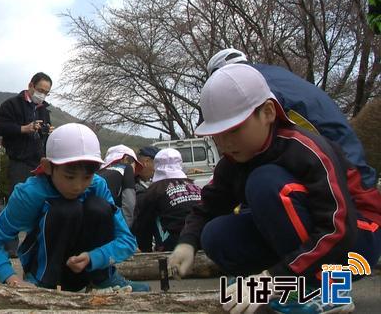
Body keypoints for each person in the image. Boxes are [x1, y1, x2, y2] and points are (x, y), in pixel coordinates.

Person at [168, 64, 381, 313]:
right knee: (216, 235)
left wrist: (273, 278)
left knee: (264, 182)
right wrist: (187, 242)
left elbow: (337, 227)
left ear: (268, 112)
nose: (225, 143)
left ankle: (323, 289)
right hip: (314, 242)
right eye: (217, 135)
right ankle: (283, 287)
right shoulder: (234, 161)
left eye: (235, 129)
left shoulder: (306, 150)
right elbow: (208, 207)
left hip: (357, 239)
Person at [0, 123, 150, 292]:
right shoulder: (30, 194)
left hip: (88, 265)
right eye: (69, 177)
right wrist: (11, 279)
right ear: (48, 167)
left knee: (98, 206)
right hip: (46, 270)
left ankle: (103, 278)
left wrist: (94, 257)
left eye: (87, 177)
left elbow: (127, 241)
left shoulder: (97, 186)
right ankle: (43, 281)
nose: (78, 186)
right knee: (65, 209)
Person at [207, 48, 380, 198]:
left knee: (264, 182)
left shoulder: (256, 91)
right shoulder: (278, 76)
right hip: (353, 171)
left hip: (347, 186)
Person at [0, 72, 53, 256]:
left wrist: (47, 131)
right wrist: (24, 128)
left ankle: (34, 245)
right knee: (15, 201)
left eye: (46, 92)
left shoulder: (45, 110)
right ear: (31, 86)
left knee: (40, 202)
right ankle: (10, 246)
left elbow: (44, 134)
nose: (42, 94)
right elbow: (1, 127)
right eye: (40, 90)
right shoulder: (11, 104)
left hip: (38, 161)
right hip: (18, 160)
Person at [132, 148, 201, 252]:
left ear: (156, 166)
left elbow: (143, 226)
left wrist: (145, 251)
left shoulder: (154, 191)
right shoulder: (195, 186)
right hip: (203, 238)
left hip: (175, 245)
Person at [97, 145, 142, 227]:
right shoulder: (126, 169)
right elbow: (129, 206)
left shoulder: (98, 173)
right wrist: (126, 232)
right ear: (126, 159)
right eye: (135, 164)